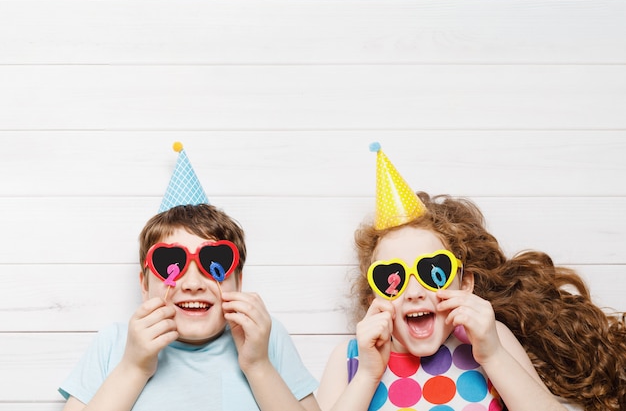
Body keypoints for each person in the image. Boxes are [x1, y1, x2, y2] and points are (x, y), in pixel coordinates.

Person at [317, 144, 625, 411]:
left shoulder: (491, 339)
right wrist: (368, 374)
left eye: (431, 272)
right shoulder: (350, 359)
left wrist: (492, 354)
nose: (412, 292)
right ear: (375, 297)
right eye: (392, 277)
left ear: (465, 284)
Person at [58, 143, 321, 411]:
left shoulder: (266, 336)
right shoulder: (114, 343)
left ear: (239, 283)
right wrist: (133, 367)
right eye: (171, 264)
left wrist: (258, 365)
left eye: (213, 263)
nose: (193, 284)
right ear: (144, 286)